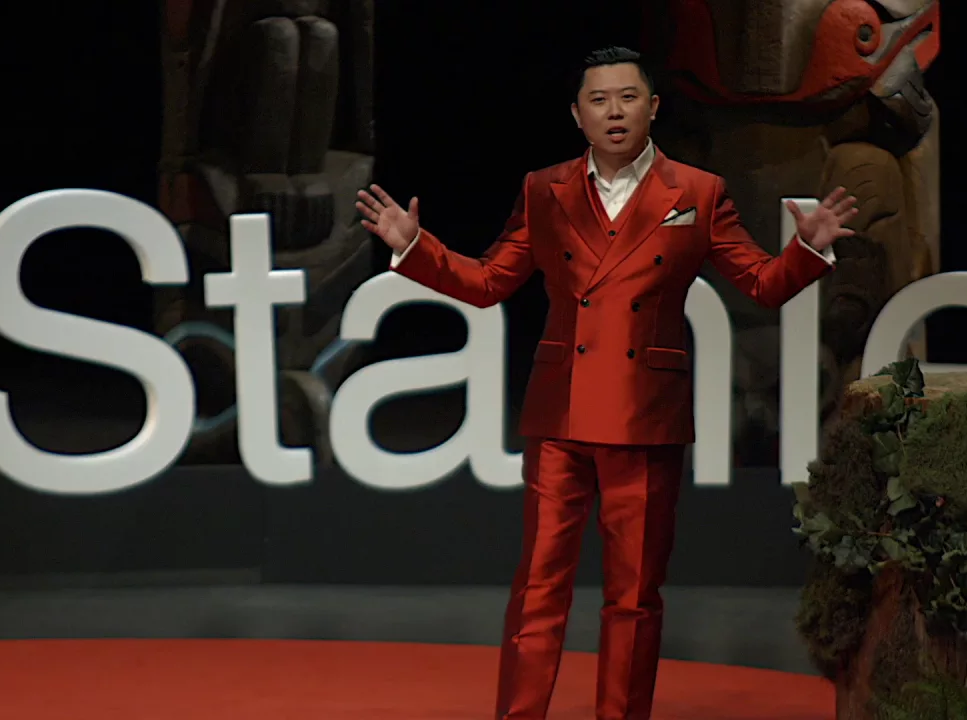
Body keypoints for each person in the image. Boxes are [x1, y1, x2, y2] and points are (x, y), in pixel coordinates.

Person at [356, 45, 857, 720]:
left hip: (646, 418)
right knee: (538, 588)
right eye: (599, 100)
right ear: (577, 115)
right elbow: (488, 282)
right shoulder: (544, 189)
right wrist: (415, 247)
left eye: (627, 97)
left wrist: (809, 248)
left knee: (634, 596)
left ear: (653, 107)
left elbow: (763, 285)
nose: (614, 111)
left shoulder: (698, 192)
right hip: (560, 415)